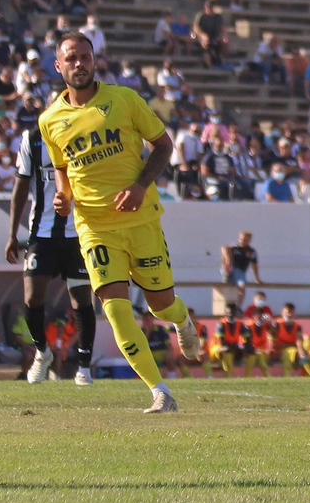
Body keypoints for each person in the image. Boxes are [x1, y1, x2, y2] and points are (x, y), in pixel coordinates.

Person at [41, 31, 201, 413]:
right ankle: (159, 391)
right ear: (58, 65)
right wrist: (62, 197)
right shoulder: (50, 120)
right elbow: (62, 168)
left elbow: (164, 146)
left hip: (140, 220)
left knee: (160, 305)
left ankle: (182, 319)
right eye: (71, 58)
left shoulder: (124, 100)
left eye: (85, 56)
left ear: (95, 61)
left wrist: (141, 185)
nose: (79, 64)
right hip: (94, 226)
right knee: (114, 308)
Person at [6, 122, 99, 385]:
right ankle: (42, 352)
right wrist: (12, 234)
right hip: (41, 234)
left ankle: (84, 367)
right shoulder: (31, 139)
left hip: (78, 234)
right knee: (32, 298)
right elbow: (21, 188)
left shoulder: (84, 135)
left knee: (82, 300)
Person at [269, 303, 310, 377]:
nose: (289, 315)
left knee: (305, 357)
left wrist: (301, 350)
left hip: (294, 349)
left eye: (291, 313)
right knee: (290, 354)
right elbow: (273, 340)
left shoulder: (297, 326)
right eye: (287, 312)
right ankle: (287, 376)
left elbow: (298, 340)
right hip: (280, 350)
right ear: (282, 312)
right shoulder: (277, 325)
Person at [221, 231, 263, 306]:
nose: (243, 241)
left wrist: (257, 278)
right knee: (226, 253)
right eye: (241, 239)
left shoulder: (251, 251)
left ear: (249, 241)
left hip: (240, 272)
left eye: (245, 240)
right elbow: (224, 248)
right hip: (230, 268)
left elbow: (254, 265)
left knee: (242, 286)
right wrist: (228, 258)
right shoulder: (234, 248)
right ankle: (226, 274)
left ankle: (238, 307)